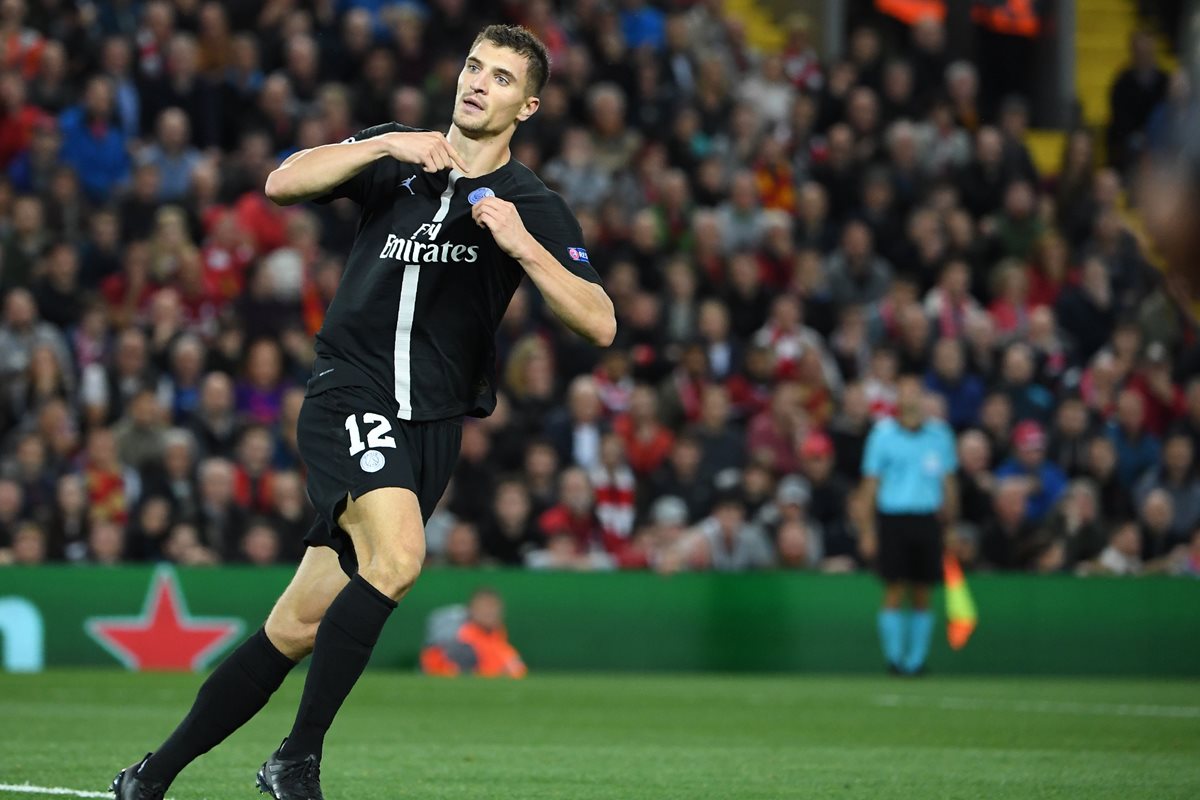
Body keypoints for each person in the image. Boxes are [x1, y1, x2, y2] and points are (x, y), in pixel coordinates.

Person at [112, 25, 615, 800]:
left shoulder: (529, 205)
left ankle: (150, 776)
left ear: (530, 104)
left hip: (434, 427)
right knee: (401, 559)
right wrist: (387, 148)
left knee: (295, 627)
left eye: (502, 78)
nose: (478, 83)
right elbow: (284, 182)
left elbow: (601, 322)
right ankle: (297, 759)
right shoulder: (397, 153)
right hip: (351, 391)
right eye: (474, 66)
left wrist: (523, 247)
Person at [858, 373, 957, 675]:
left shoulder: (940, 436)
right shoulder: (882, 435)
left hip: (927, 519)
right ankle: (894, 659)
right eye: (904, 392)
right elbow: (870, 486)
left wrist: (949, 527)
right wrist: (866, 530)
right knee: (893, 589)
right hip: (893, 518)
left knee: (923, 591)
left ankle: (916, 661)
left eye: (915, 392)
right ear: (896, 399)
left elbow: (949, 484)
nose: (910, 398)